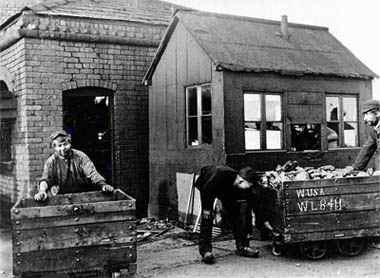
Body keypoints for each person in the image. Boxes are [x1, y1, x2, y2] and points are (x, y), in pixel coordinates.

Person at [194, 165, 272, 264]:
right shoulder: (220, 174)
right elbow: (206, 190)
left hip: (227, 190)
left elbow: (256, 204)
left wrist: (264, 221)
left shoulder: (245, 186)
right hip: (208, 184)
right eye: (248, 186)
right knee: (207, 217)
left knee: (235, 216)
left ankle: (243, 246)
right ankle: (206, 252)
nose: (248, 189)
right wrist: (206, 209)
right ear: (240, 181)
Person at [34, 130, 114, 201]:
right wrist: (42, 191)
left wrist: (103, 185)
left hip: (82, 197)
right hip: (61, 199)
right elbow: (46, 178)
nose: (63, 148)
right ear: (54, 147)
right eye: (59, 146)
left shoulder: (80, 157)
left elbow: (92, 173)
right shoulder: (51, 162)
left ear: (69, 143)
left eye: (65, 144)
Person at [344, 99, 380, 175]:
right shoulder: (374, 131)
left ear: (377, 114)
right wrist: (355, 168)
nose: (365, 119)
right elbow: (367, 149)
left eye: (367, 115)